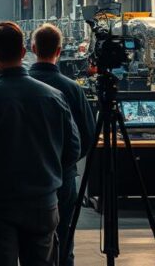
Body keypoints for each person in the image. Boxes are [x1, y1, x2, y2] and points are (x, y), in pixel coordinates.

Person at [0, 21, 80, 266]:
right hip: (42, 204)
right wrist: (49, 177)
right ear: (23, 52)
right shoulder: (54, 97)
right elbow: (73, 148)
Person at [27, 24, 95, 266]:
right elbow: (88, 135)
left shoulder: (19, 87)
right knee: (64, 237)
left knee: (30, 244)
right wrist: (67, 163)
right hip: (63, 176)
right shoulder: (72, 89)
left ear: (33, 48)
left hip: (24, 180)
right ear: (59, 50)